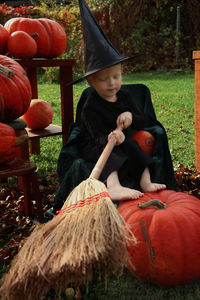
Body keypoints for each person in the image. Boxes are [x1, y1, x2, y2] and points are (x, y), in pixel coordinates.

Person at [77, 63, 166, 201]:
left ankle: (146, 182)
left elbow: (142, 121)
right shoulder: (90, 107)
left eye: (116, 76)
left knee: (134, 146)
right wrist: (110, 138)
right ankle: (113, 186)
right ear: (91, 81)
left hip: (122, 139)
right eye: (103, 79)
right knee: (107, 152)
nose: (111, 83)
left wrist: (131, 116)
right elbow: (96, 137)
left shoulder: (124, 96)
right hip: (96, 143)